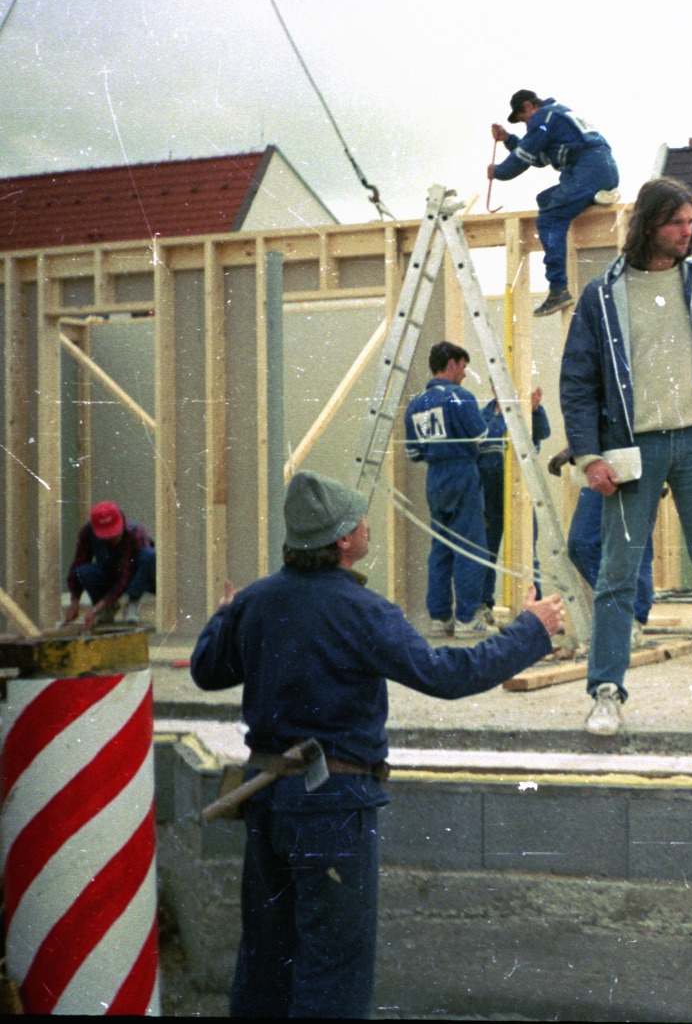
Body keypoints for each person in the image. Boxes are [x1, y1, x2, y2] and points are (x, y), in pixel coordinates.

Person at [190, 469, 562, 1018]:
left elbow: (205, 670)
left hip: (267, 803)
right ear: (343, 540)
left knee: (268, 960)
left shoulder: (259, 602)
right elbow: (446, 675)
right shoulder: (362, 612)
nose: (368, 526)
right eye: (361, 520)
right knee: (333, 968)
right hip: (333, 807)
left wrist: (226, 614)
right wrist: (530, 631)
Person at [558, 176, 692, 737]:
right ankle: (605, 693)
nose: (688, 231)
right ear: (649, 225)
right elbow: (578, 383)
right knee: (618, 575)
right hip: (631, 449)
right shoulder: (604, 297)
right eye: (677, 222)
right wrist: (588, 455)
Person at [488, 90, 620, 318]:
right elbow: (538, 158)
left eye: (522, 118)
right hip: (597, 168)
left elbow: (522, 160)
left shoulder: (542, 118)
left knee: (550, 218)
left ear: (529, 106)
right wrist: (509, 140)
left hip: (587, 170)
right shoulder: (557, 115)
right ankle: (595, 196)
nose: (525, 124)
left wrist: (498, 172)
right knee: (546, 200)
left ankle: (558, 289)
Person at [405, 341, 489, 636]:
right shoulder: (460, 397)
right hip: (462, 474)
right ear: (451, 364)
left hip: (435, 479)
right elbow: (481, 437)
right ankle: (467, 618)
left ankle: (440, 619)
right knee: (470, 546)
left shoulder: (416, 403)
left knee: (441, 547)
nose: (464, 374)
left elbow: (414, 454)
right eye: (463, 367)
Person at [549, 446, 657, 648]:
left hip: (639, 462)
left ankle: (632, 619)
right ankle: (620, 610)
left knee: (634, 546)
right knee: (581, 543)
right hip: (601, 463)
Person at [478, 386, 550, 622]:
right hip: (490, 498)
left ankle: (534, 611)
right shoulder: (483, 415)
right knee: (485, 553)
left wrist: (536, 410)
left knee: (528, 555)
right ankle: (484, 605)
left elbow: (544, 432)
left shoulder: (525, 414)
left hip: (521, 499)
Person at [61, 500, 156, 627]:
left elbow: (126, 577)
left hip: (135, 578)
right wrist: (75, 601)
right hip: (110, 573)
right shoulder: (87, 532)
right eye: (106, 536)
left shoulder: (134, 533)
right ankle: (108, 609)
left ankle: (133, 602)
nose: (111, 540)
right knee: (83, 571)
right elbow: (77, 565)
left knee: (149, 555)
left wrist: (96, 609)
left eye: (114, 535)